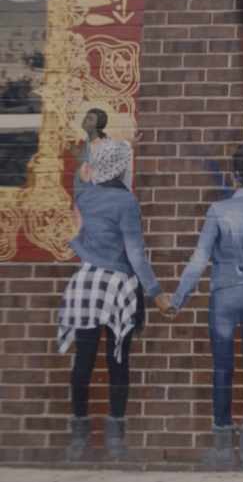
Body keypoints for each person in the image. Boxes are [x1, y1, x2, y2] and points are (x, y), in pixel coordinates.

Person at [58, 139, 174, 461]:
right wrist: (156, 292)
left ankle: (79, 439)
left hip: (86, 283)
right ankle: (115, 440)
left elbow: (79, 237)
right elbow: (136, 254)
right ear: (119, 167)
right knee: (117, 360)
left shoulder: (84, 195)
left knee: (83, 360)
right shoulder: (127, 202)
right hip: (117, 287)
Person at [170, 142, 243, 471]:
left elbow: (199, 259)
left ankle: (223, 447)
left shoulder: (218, 210)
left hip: (225, 293)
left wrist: (178, 297)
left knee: (223, 367)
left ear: (233, 173)